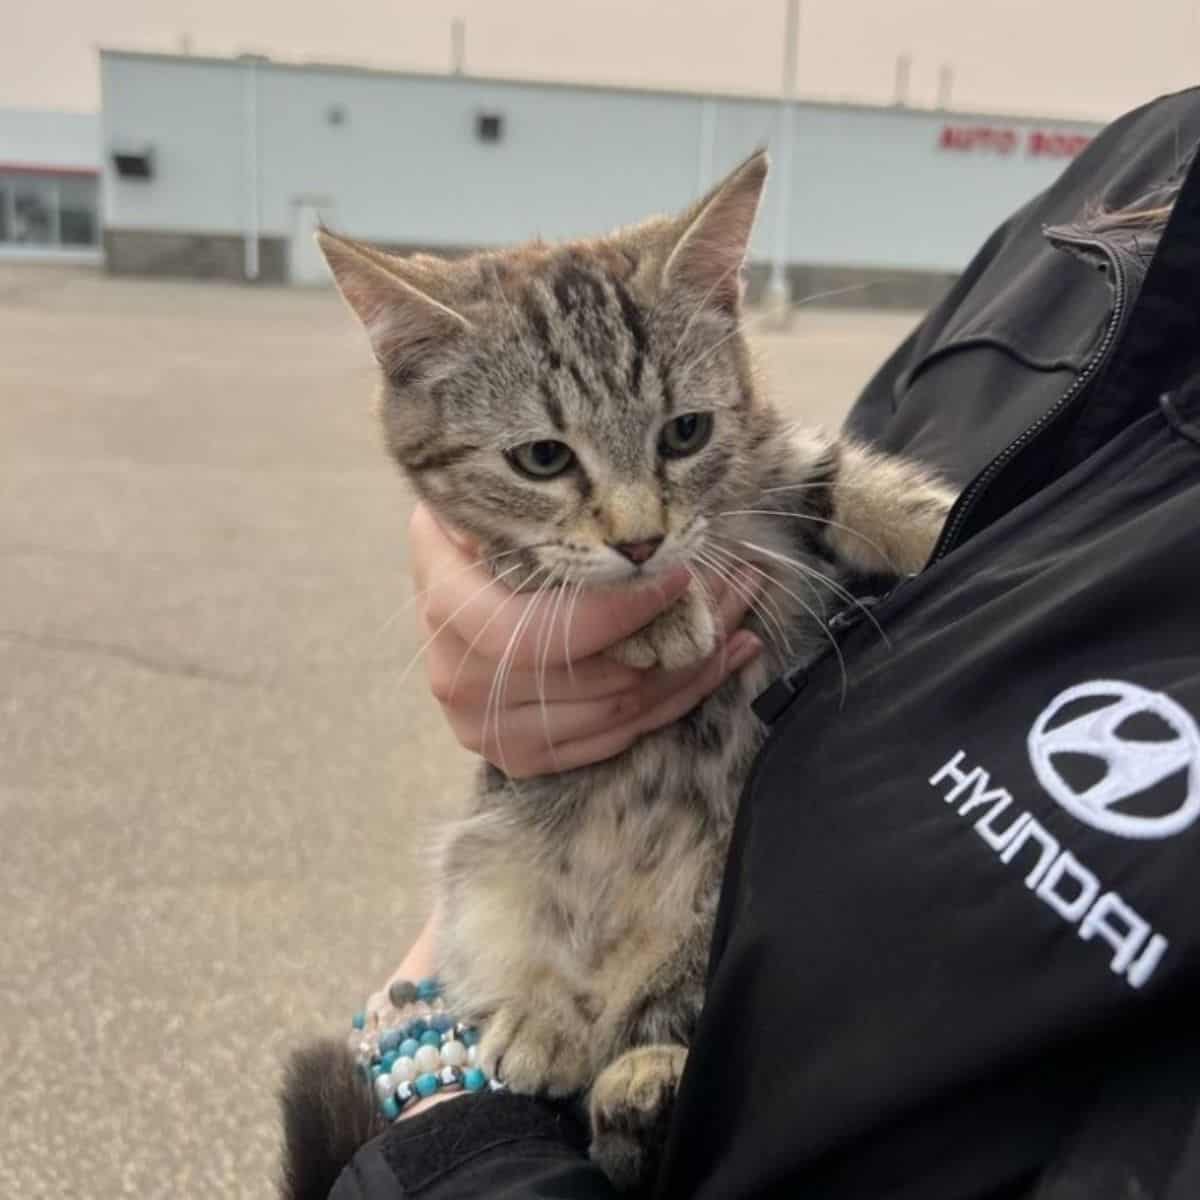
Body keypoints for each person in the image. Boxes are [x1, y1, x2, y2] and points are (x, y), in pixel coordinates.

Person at [328, 88, 1200, 1198]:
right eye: (551, 462)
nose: (637, 526)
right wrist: (497, 615)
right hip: (544, 921)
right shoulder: (1139, 166)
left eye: (682, 435)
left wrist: (424, 1098)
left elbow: (827, 479)